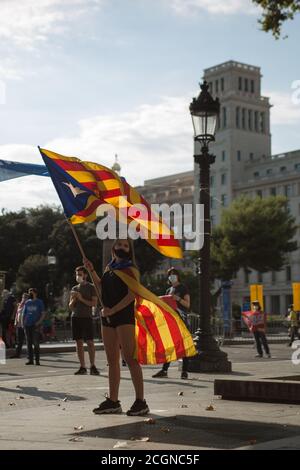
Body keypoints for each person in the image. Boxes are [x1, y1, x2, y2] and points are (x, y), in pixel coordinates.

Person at [84, 239, 150, 416]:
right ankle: (113, 401)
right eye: (119, 245)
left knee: (130, 358)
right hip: (107, 317)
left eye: (126, 246)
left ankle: (141, 402)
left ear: (129, 250)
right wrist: (91, 270)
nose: (122, 247)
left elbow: (132, 295)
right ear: (114, 248)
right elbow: (100, 286)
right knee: (112, 360)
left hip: (123, 316)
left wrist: (113, 309)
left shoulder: (131, 269)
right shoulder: (109, 268)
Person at [152, 267, 191, 380]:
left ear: (178, 276)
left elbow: (187, 305)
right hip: (170, 320)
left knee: (183, 345)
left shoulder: (183, 288)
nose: (172, 276)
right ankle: (164, 370)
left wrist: (177, 298)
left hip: (181, 319)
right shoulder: (168, 290)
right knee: (169, 345)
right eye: (170, 274)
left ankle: (184, 371)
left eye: (174, 274)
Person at [69, 266, 100, 376]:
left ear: (85, 275)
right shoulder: (74, 288)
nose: (78, 276)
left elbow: (94, 304)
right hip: (75, 317)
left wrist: (81, 298)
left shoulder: (91, 287)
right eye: (77, 274)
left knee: (90, 342)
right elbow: (71, 307)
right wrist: (74, 300)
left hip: (87, 317)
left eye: (80, 274)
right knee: (78, 342)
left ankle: (92, 366)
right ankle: (82, 366)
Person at [23, 288, 46, 365]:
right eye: (29, 293)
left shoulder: (39, 302)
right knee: (28, 343)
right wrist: (23, 322)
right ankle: (30, 360)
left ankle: (37, 360)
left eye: (31, 293)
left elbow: (43, 313)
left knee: (35, 343)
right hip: (27, 325)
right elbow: (24, 313)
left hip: (35, 325)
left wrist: (38, 322)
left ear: (35, 293)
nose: (30, 294)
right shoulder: (27, 302)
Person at [11, 293, 29, 358]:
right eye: (23, 297)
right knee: (19, 341)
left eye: (25, 297)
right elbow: (17, 314)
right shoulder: (20, 305)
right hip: (19, 325)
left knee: (28, 340)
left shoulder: (28, 305)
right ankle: (17, 354)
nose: (24, 299)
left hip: (25, 325)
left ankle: (30, 355)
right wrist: (15, 322)